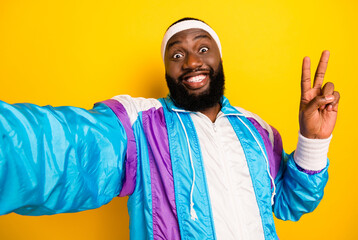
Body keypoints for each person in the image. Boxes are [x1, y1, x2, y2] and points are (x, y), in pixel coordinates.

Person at [0, 17, 340, 240]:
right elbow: (57, 149)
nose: (192, 62)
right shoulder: (140, 124)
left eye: (203, 49)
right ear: (166, 70)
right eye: (177, 55)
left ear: (219, 60)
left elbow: (291, 203)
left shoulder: (258, 131)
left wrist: (313, 140)